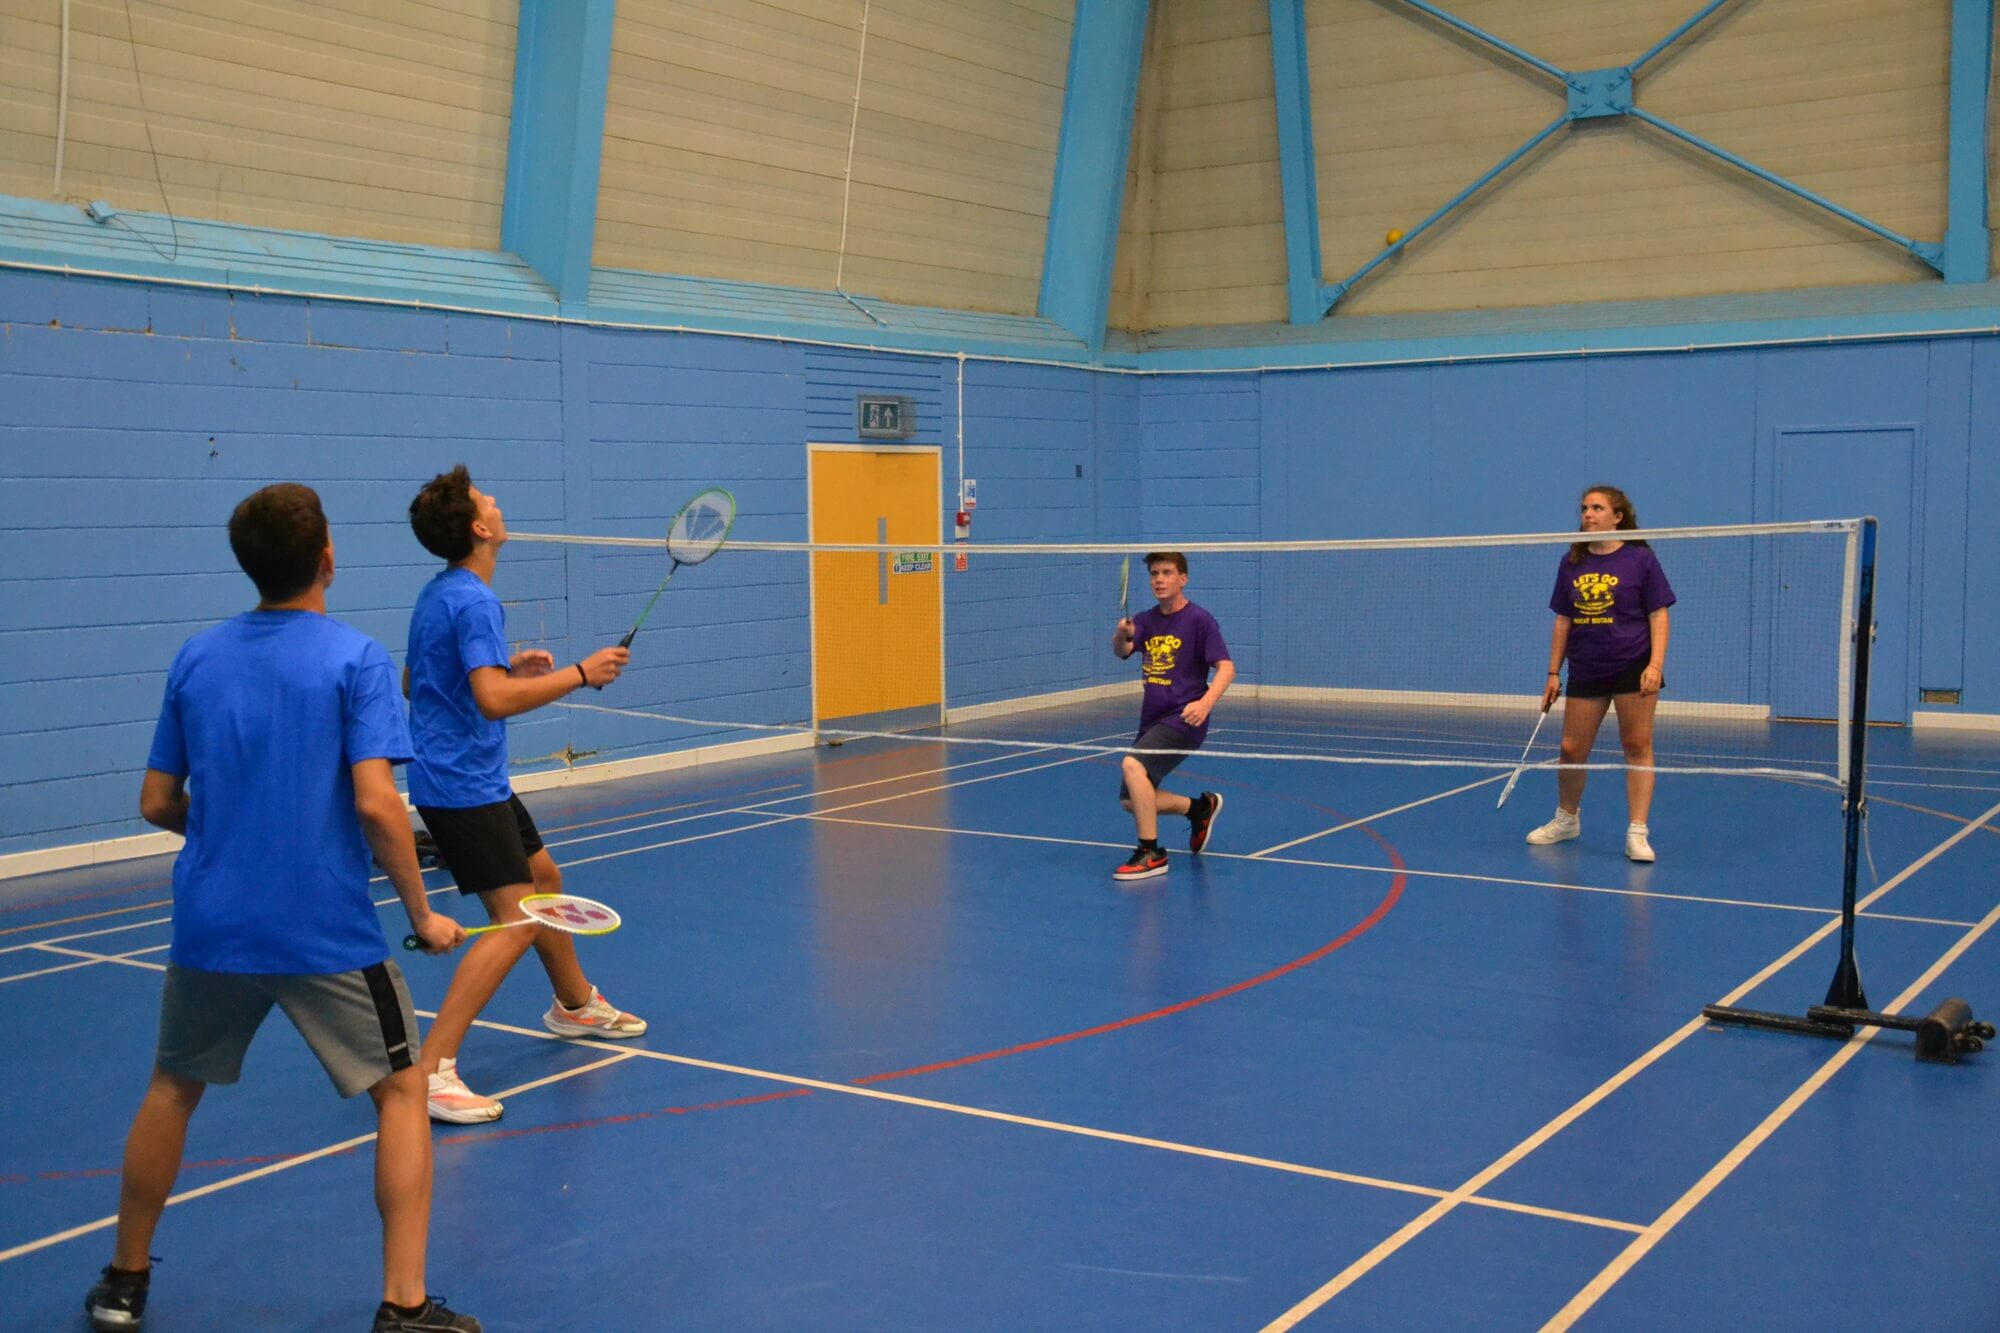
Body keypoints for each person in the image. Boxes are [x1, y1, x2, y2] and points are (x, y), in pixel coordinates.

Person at [87, 483, 478, 1333]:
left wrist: (228, 827)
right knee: (403, 1090)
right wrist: (422, 913)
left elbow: (157, 801)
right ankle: (405, 1304)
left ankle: (122, 1282)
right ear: (328, 558)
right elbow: (377, 804)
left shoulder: (197, 656)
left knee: (172, 1087)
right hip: (324, 928)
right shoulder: (358, 660)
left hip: (212, 922)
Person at [404, 466, 643, 1126]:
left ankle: (575, 1003)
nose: (497, 501)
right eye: (486, 499)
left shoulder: (440, 593)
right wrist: (579, 673)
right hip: (460, 784)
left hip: (468, 776)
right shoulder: (475, 601)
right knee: (517, 919)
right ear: (479, 528)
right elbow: (490, 701)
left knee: (545, 879)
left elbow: (417, 681)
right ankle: (431, 1070)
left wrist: (506, 668)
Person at [1527, 485, 1675, 863]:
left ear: (1618, 517)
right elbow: (1563, 619)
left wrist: (1655, 665)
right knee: (1571, 749)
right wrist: (1553, 672)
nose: (1588, 515)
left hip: (1633, 666)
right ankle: (1567, 819)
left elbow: (1658, 615)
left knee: (1637, 746)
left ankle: (1637, 831)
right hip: (1586, 668)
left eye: (1597, 508)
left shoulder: (1640, 559)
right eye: (1584, 508)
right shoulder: (1572, 562)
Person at [1109, 551, 1235, 881]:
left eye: (1166, 573)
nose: (1159, 579)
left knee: (1132, 765)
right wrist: (1121, 634)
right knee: (1131, 800)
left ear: (1183, 578)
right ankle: (1199, 809)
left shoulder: (1199, 620)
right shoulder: (1145, 620)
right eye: (1154, 574)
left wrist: (1205, 703)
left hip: (1185, 719)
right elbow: (1122, 650)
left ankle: (1151, 852)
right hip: (1152, 719)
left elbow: (1226, 667)